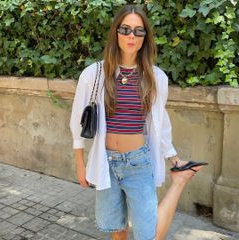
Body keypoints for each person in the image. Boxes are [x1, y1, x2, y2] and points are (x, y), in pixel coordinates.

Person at [70, 4, 205, 240]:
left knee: (149, 234)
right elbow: (77, 122)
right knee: (116, 228)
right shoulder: (94, 74)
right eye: (125, 29)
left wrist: (172, 156)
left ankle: (179, 182)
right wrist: (80, 163)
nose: (131, 36)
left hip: (138, 164)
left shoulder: (155, 77)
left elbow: (160, 123)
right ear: (116, 33)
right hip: (105, 162)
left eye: (138, 31)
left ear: (145, 37)